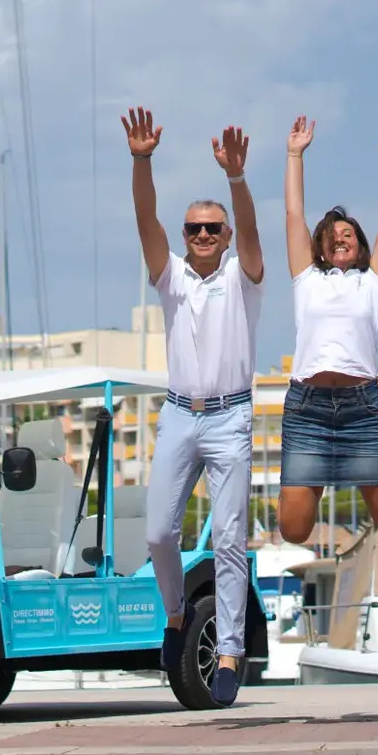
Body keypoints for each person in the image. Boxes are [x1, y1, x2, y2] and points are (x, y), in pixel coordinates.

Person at [124, 106, 262, 708]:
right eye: (194, 229)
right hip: (180, 413)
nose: (202, 236)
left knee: (230, 538)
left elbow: (256, 237)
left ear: (225, 237)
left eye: (213, 229)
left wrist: (237, 180)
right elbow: (144, 219)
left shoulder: (242, 277)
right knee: (158, 533)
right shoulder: (172, 277)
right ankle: (176, 614)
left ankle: (230, 650)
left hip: (231, 416)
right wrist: (142, 159)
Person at [277, 115, 378, 544]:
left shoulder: (372, 282)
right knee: (293, 529)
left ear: (359, 245)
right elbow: (292, 213)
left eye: (348, 233)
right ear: (319, 246)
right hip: (308, 409)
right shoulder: (307, 278)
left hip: (361, 409)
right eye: (332, 234)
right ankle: (321, 469)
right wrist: (294, 154)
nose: (341, 237)